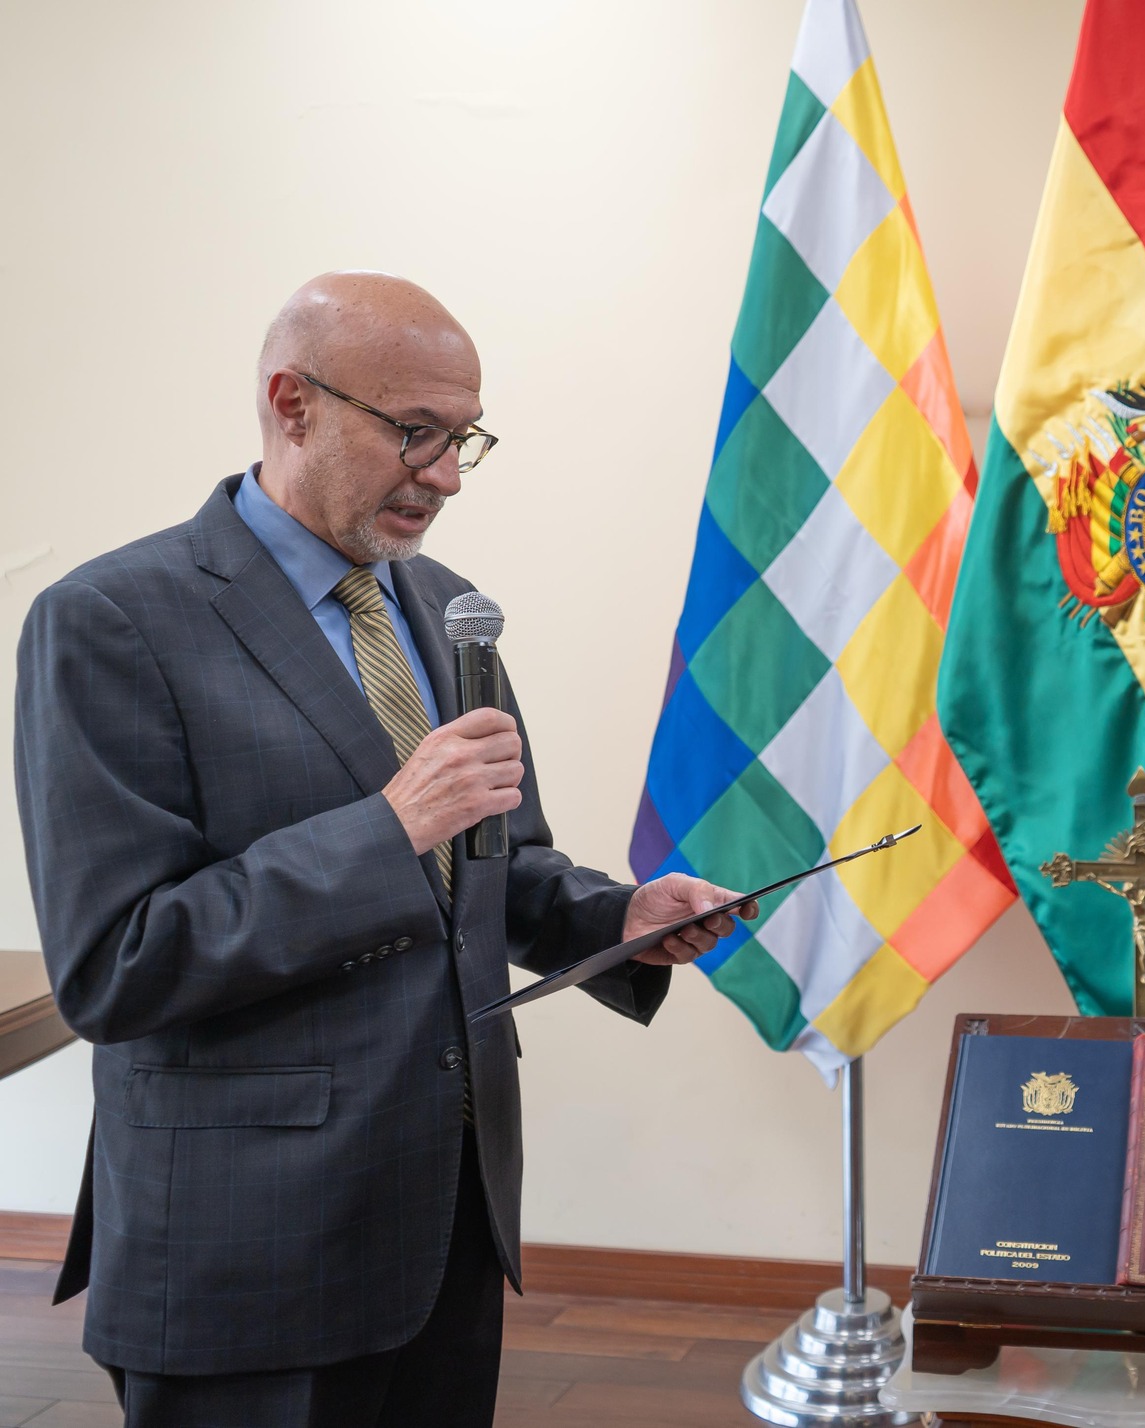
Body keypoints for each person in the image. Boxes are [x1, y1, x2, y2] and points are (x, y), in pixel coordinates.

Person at [13, 271, 754, 1427]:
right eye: (416, 433)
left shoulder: (447, 609)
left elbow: (492, 866)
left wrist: (616, 918)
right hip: (246, 1245)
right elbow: (120, 963)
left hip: (448, 1219)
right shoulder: (110, 620)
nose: (447, 476)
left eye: (466, 440)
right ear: (290, 402)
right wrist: (386, 827)